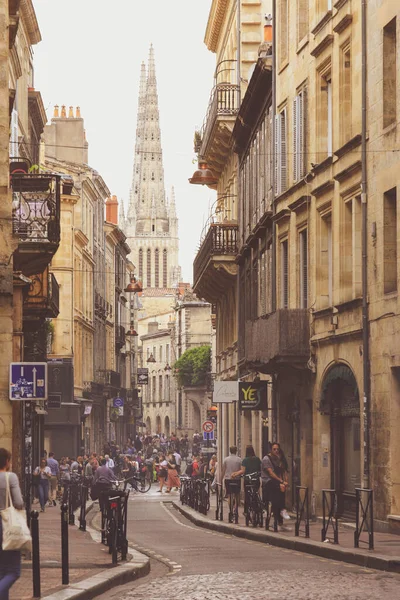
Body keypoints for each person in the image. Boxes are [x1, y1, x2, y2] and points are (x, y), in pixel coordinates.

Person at [0, 448, 24, 599]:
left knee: (1, 571)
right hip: (6, 525)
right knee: (13, 571)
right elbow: (18, 502)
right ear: (7, 461)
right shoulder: (10, 477)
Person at [261, 442, 290, 531]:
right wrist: (281, 481)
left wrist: (285, 482)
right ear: (271, 450)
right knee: (279, 487)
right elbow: (271, 473)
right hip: (268, 481)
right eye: (274, 449)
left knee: (281, 490)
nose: (276, 451)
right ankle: (282, 509)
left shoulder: (278, 459)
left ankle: (281, 512)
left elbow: (283, 471)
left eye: (277, 449)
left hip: (276, 481)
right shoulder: (266, 459)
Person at [231, 445, 261, 515]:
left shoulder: (245, 460)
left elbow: (242, 471)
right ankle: (256, 507)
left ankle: (246, 511)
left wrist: (235, 474)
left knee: (247, 495)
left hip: (248, 480)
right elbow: (260, 469)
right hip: (256, 480)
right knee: (255, 493)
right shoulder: (257, 459)